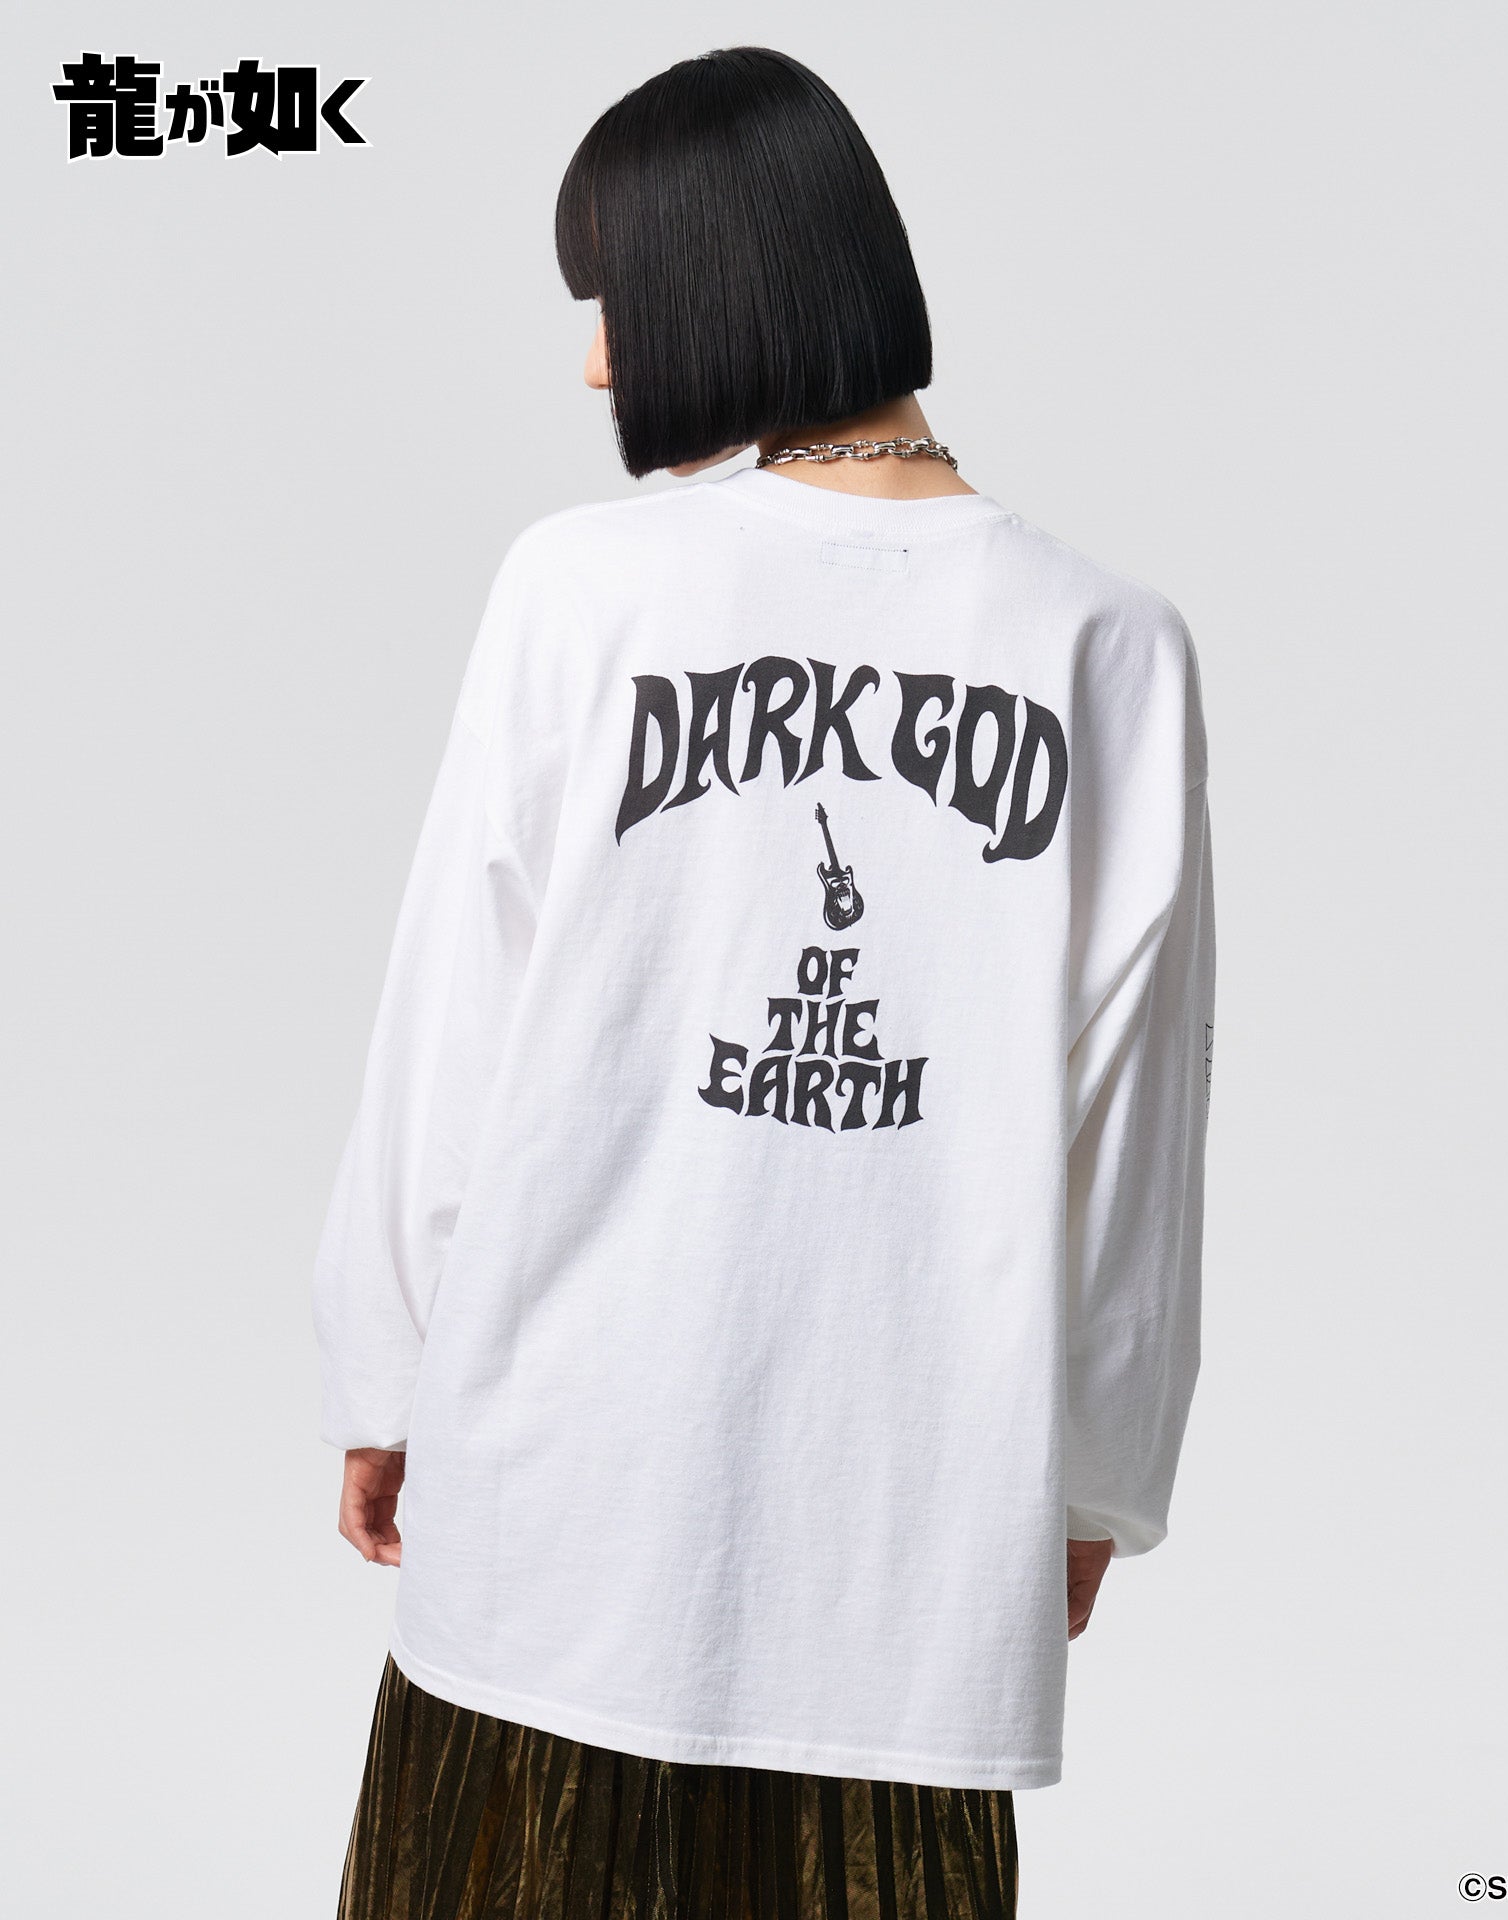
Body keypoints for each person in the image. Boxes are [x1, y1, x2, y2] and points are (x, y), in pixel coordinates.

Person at [315, 45, 1215, 1920]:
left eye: (613, 300)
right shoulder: (1109, 643)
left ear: (722, 281)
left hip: (559, 1471)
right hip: (907, 1516)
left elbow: (456, 1013)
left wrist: (386, 1360)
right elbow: (1133, 1122)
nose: (598, 364)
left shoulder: (583, 589)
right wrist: (1093, 1481)